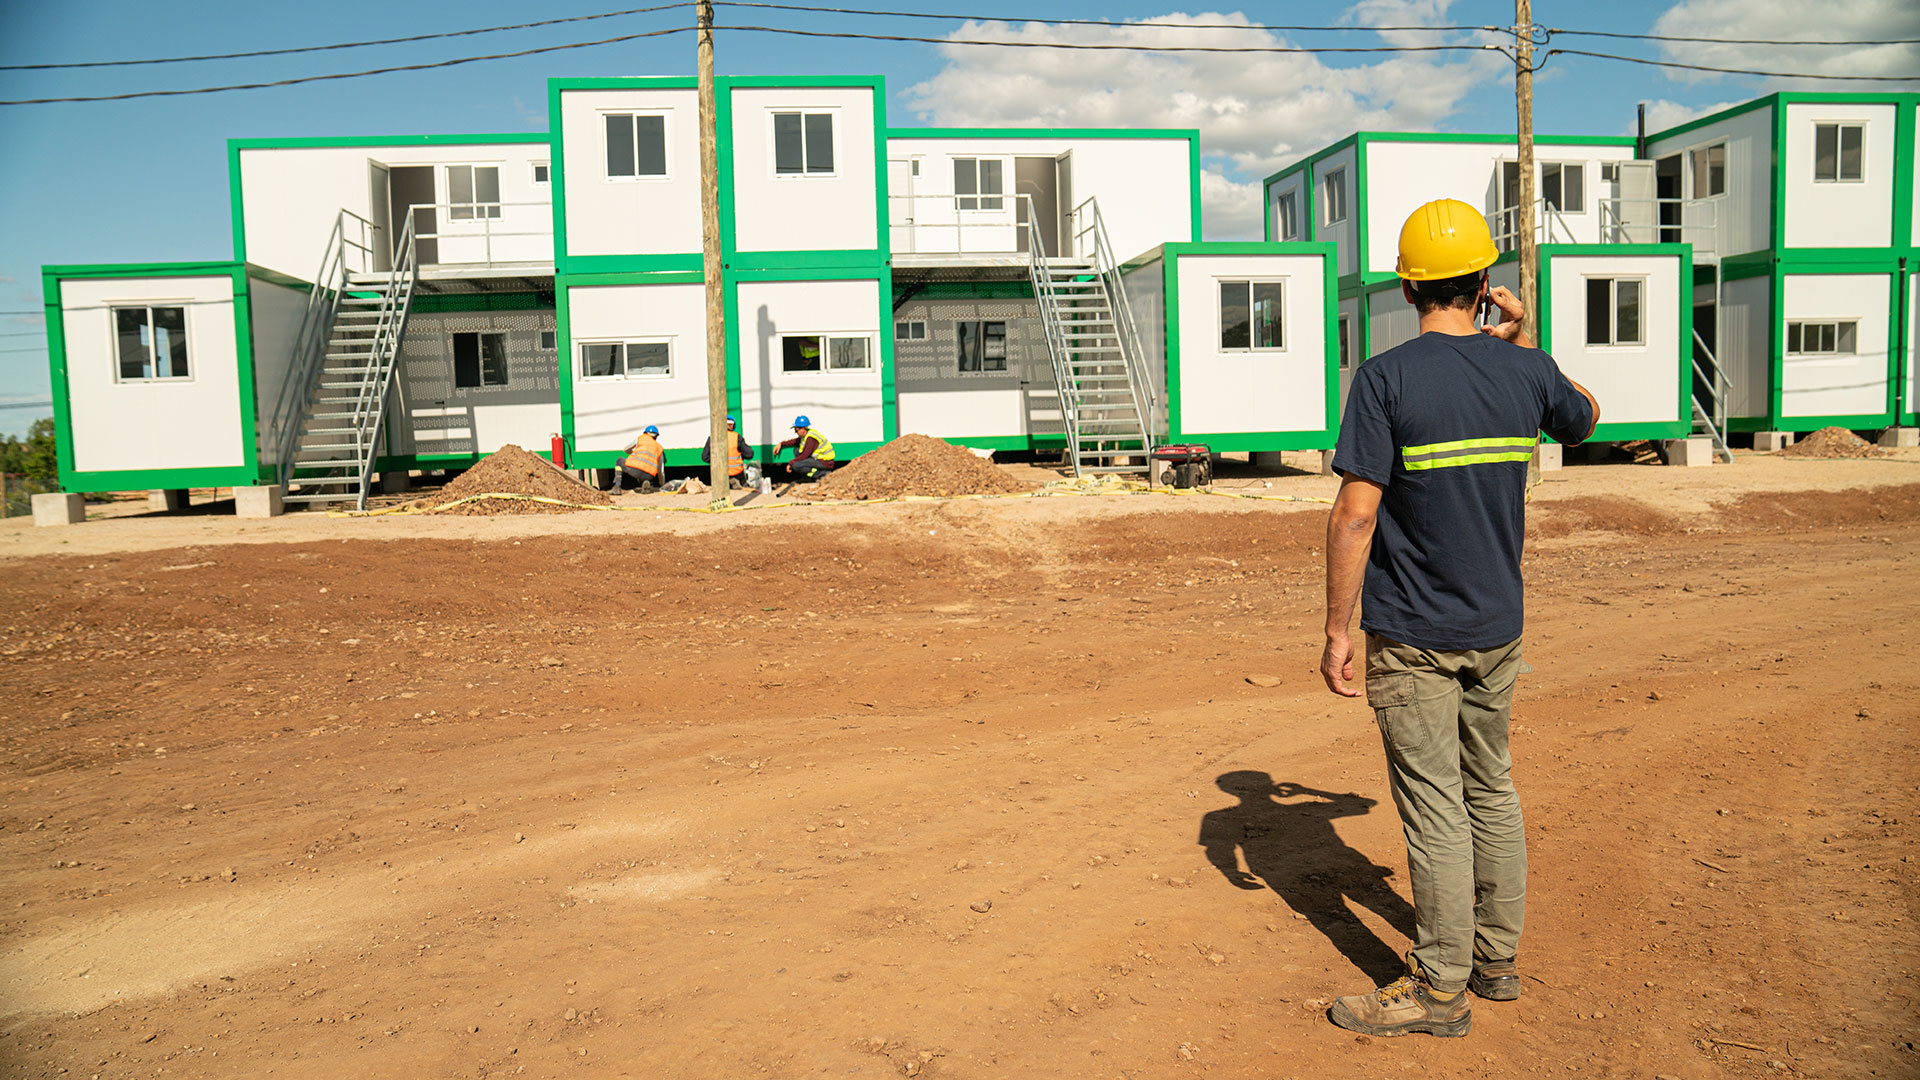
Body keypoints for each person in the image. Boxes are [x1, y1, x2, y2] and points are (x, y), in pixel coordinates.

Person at [1318, 198, 1600, 1039]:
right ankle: (1496, 963)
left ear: (1407, 290)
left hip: (1414, 634)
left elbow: (1354, 517)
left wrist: (1339, 628)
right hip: (1499, 627)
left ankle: (1439, 993)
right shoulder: (1528, 371)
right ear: (1485, 284)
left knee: (1436, 804)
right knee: (1491, 787)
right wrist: (1523, 336)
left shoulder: (1385, 378)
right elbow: (1587, 413)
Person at [772, 415, 837, 482]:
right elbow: (795, 441)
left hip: (825, 461)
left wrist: (790, 463)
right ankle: (815, 473)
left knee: (796, 465)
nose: (796, 432)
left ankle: (822, 474)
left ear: (803, 429)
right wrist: (781, 444)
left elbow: (805, 455)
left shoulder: (811, 439)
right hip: (819, 459)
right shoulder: (806, 435)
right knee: (797, 450)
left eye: (796, 430)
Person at [700, 413, 754, 488]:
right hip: (737, 475)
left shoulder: (712, 438)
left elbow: (705, 457)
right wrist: (741, 456)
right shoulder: (737, 437)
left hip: (719, 476)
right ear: (732, 425)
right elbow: (749, 454)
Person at [612, 424, 665, 494]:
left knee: (619, 460)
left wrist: (634, 452)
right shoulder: (659, 448)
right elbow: (661, 470)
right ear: (656, 436)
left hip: (634, 470)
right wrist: (662, 484)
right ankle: (646, 482)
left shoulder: (640, 438)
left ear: (645, 433)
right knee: (644, 473)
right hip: (649, 475)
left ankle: (617, 487)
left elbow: (626, 449)